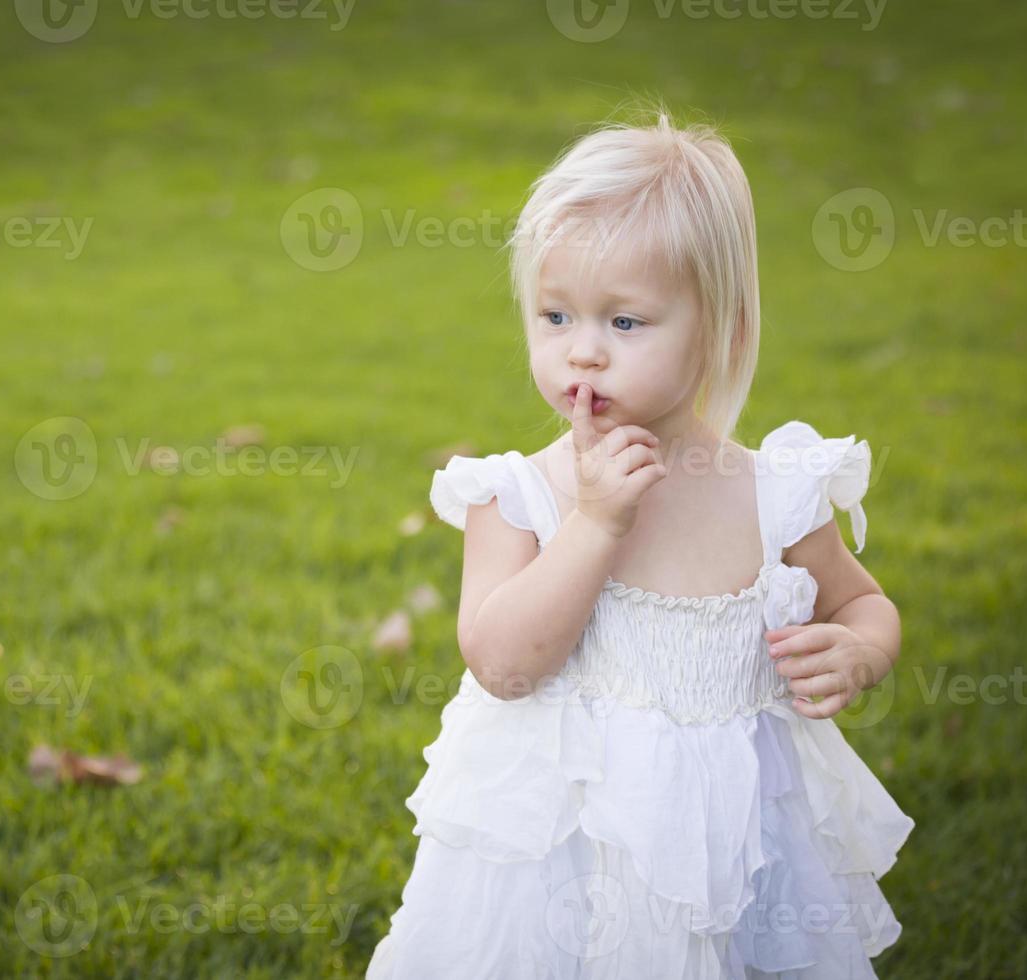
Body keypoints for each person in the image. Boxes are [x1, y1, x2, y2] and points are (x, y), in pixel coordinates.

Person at [366, 107, 914, 979]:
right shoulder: (521, 498)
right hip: (557, 874)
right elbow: (504, 665)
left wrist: (860, 652)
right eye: (555, 317)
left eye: (625, 323)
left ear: (722, 332)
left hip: (736, 860)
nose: (583, 353)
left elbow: (866, 602)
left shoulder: (771, 495)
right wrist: (595, 524)